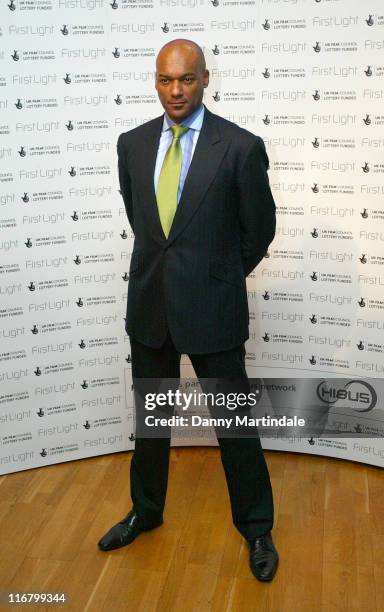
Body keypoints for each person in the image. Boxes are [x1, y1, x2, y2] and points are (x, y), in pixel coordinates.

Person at [98, 39, 278, 582]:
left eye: (186, 79)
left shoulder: (241, 147)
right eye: (165, 80)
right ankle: (146, 512)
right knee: (151, 425)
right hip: (150, 308)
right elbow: (146, 224)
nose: (175, 91)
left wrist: (217, 279)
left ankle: (257, 529)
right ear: (156, 81)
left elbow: (259, 231)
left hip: (212, 308)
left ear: (205, 79)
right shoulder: (131, 144)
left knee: (235, 427)